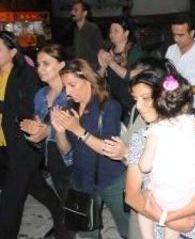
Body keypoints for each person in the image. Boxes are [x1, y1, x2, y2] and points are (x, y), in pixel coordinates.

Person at [125, 61, 195, 239]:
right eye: (135, 99)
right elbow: (131, 195)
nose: (138, 106)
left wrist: (167, 217)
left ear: (163, 97)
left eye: (145, 98)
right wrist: (168, 220)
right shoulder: (141, 137)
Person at [0, 32, 71, 239]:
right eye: (39, 64)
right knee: (40, 190)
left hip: (23, 148)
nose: (41, 69)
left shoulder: (25, 75)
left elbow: (25, 112)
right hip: (4, 147)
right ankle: (61, 214)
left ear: (12, 52)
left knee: (9, 203)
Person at [51, 58, 129, 238]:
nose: (68, 92)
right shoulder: (70, 107)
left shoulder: (108, 106)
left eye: (72, 85)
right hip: (81, 180)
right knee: (87, 233)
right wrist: (60, 132)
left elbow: (109, 149)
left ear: (88, 80)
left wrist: (78, 129)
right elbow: (66, 151)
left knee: (129, 229)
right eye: (65, 86)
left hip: (111, 179)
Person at [137, 72, 195, 239]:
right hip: (190, 193)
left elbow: (144, 166)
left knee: (144, 208)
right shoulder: (193, 123)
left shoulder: (155, 131)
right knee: (171, 230)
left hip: (165, 196)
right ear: (186, 104)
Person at [19, 44, 73, 203]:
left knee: (81, 213)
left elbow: (77, 133)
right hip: (54, 163)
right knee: (67, 207)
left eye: (46, 63)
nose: (40, 68)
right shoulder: (40, 96)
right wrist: (33, 132)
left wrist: (48, 131)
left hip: (75, 163)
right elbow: (41, 139)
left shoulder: (71, 94)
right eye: (38, 64)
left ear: (61, 65)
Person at [165, 15, 195, 120]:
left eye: (180, 35)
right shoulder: (171, 50)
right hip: (174, 108)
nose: (176, 39)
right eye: (174, 34)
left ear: (192, 33)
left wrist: (179, 91)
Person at [98, 18, 145, 122]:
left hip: (130, 105)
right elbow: (99, 78)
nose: (112, 34)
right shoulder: (109, 51)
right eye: (110, 31)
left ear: (126, 33)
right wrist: (103, 66)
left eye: (116, 31)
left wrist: (111, 62)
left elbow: (128, 76)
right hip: (113, 104)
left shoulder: (135, 52)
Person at [70, 0, 104, 70]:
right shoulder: (76, 29)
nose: (72, 12)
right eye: (72, 10)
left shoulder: (92, 28)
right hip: (80, 67)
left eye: (76, 10)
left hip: (91, 68)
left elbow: (100, 50)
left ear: (84, 13)